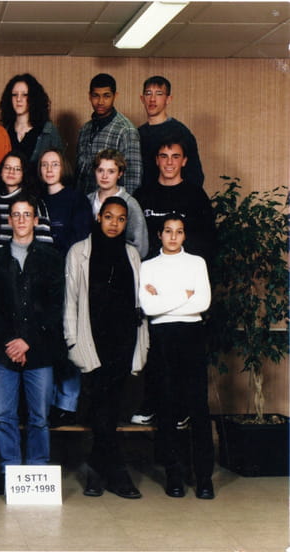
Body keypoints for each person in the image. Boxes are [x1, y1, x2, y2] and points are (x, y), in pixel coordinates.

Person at [64, 196, 149, 499]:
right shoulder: (79, 251)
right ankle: (116, 472)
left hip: (124, 339)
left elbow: (140, 300)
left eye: (121, 219)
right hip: (93, 340)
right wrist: (72, 340)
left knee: (112, 406)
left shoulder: (132, 254)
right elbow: (71, 299)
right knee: (101, 404)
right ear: (99, 217)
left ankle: (97, 470)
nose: (114, 223)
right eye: (109, 216)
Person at [0, 193, 65, 496]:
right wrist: (10, 341)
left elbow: (55, 307)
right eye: (15, 215)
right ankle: (9, 472)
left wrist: (27, 340)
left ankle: (37, 472)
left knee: (39, 417)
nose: (20, 220)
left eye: (26, 214)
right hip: (4, 351)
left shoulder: (51, 258)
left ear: (35, 220)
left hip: (39, 350)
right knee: (5, 416)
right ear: (9, 220)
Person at [130, 139, 216, 427]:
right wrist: (179, 295)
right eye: (163, 156)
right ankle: (152, 405)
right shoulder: (143, 195)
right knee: (155, 360)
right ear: (156, 160)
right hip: (152, 277)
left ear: (184, 161)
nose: (169, 162)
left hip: (185, 278)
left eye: (175, 156)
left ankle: (182, 410)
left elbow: (208, 243)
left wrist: (184, 288)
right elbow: (134, 239)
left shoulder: (195, 195)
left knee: (185, 369)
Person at [139, 214, 214, 499]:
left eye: (179, 231)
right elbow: (149, 307)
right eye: (168, 231)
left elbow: (203, 302)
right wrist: (185, 295)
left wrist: (164, 298)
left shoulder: (196, 263)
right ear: (159, 234)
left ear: (184, 235)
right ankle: (174, 476)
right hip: (162, 338)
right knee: (167, 406)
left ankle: (204, 478)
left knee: (198, 407)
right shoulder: (148, 266)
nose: (173, 237)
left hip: (192, 336)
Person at [37, 147, 92, 427]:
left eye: (55, 164)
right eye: (44, 164)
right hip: (40, 279)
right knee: (46, 340)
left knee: (68, 337)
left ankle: (67, 403)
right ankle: (46, 403)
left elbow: (80, 239)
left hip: (68, 276)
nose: (49, 169)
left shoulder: (76, 199)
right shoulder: (34, 199)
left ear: (64, 168)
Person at [76, 73, 142, 195]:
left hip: (112, 203)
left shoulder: (126, 130)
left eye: (106, 96)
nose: (100, 102)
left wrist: (121, 205)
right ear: (89, 96)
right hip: (84, 201)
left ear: (115, 96)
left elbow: (133, 178)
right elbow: (79, 174)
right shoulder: (85, 129)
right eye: (96, 96)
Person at [138, 76, 204, 188]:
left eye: (159, 94)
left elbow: (195, 176)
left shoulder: (180, 132)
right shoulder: (137, 133)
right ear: (142, 98)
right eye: (148, 93)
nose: (152, 99)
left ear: (168, 99)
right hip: (144, 196)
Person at [87, 148, 148, 259]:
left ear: (120, 174)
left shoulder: (130, 204)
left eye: (111, 171)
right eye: (100, 170)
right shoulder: (87, 201)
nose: (104, 176)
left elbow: (140, 246)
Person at [0, 150, 53, 247]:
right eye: (7, 167)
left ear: (23, 173)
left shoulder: (33, 201)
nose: (11, 172)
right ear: (1, 171)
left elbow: (44, 242)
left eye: (17, 169)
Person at [0, 73, 63, 163]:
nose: (18, 99)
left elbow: (60, 166)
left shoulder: (48, 131)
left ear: (34, 98)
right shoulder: (3, 132)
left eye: (24, 95)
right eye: (14, 95)